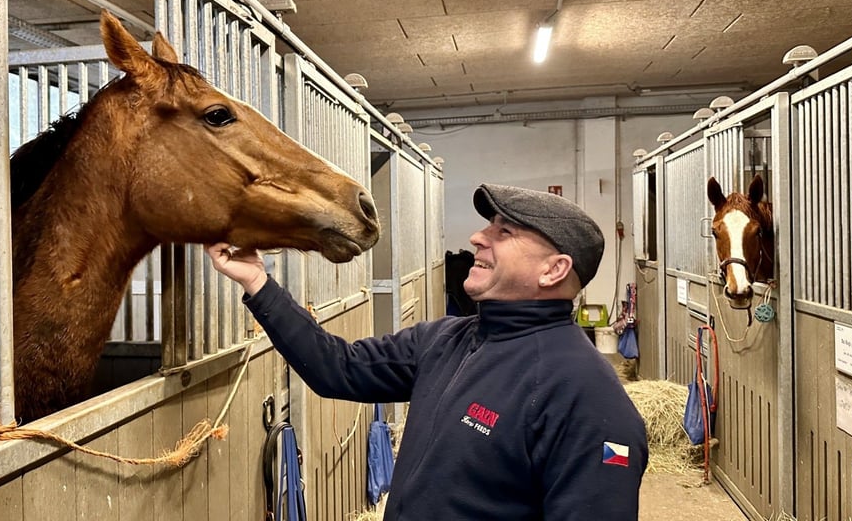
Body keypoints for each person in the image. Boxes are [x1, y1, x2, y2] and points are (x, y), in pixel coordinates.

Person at [206, 183, 648, 520]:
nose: (477, 237)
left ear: (554, 270)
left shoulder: (588, 398)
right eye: (488, 226)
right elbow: (337, 368)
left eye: (504, 231)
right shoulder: (447, 340)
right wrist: (257, 283)